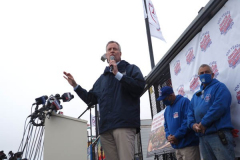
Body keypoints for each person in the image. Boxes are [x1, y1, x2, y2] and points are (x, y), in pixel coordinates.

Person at [63, 41, 145, 160]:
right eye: (109, 49)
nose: (112, 51)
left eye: (115, 49)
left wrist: (118, 74)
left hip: (124, 125)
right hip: (106, 129)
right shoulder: (102, 79)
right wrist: (75, 86)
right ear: (106, 55)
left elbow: (139, 87)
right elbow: (90, 99)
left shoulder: (130, 69)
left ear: (120, 54)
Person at [187, 64, 235, 160]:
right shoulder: (196, 96)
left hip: (218, 135)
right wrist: (193, 125)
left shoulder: (220, 87)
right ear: (199, 77)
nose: (204, 74)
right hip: (203, 138)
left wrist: (204, 123)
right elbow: (189, 114)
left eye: (207, 72)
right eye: (202, 73)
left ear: (212, 75)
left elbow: (219, 106)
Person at [157, 86, 200, 160]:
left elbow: (188, 121)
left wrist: (177, 136)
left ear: (171, 95)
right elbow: (166, 126)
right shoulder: (167, 110)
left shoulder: (184, 102)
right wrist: (168, 136)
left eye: (164, 99)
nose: (163, 101)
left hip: (188, 145)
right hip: (176, 147)